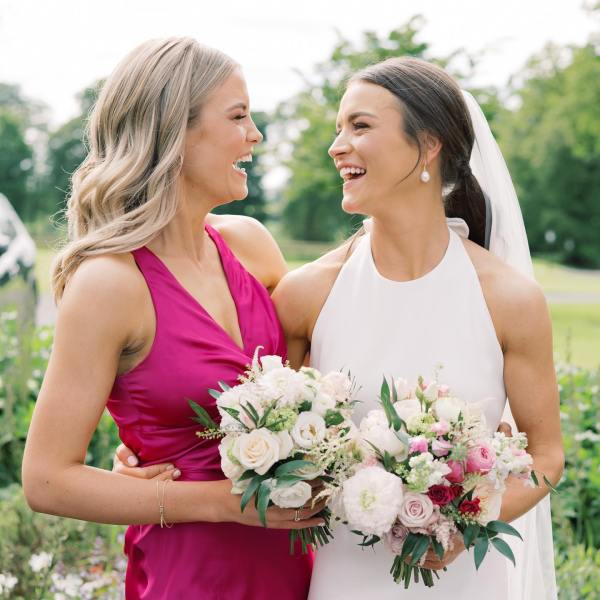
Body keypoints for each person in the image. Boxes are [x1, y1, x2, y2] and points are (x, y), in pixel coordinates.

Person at [21, 37, 322, 600]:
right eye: (238, 117)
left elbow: (317, 382)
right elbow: (45, 479)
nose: (255, 135)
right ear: (174, 134)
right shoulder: (111, 284)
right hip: (194, 576)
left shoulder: (251, 246)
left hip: (301, 567)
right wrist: (219, 502)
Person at [271, 57, 564, 599]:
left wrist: (468, 522)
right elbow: (266, 435)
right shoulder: (306, 294)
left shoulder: (510, 299)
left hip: (467, 581)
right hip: (344, 580)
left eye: (359, 126)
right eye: (339, 129)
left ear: (428, 144)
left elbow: (546, 458)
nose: (337, 146)